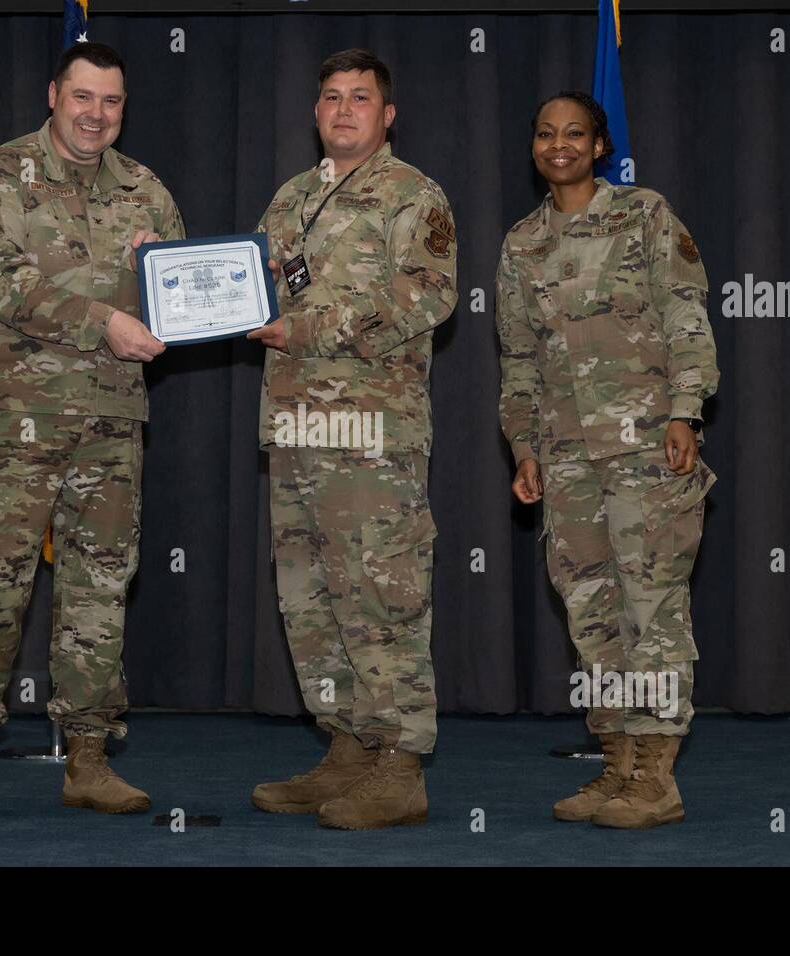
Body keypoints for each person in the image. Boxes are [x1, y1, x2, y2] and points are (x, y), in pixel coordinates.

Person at [0, 42, 184, 823]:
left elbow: (179, 295)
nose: (96, 115)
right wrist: (104, 318)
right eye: (82, 98)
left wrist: (160, 271)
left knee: (99, 592)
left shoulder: (148, 191)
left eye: (110, 102)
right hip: (13, 422)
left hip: (109, 422)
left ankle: (90, 759)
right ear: (53, 95)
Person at [246, 49, 458, 830]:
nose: (343, 109)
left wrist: (302, 326)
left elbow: (429, 295)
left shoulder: (413, 194)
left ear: (387, 114)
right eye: (331, 96)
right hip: (296, 428)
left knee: (382, 595)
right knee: (310, 598)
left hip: (371, 431)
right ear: (316, 111)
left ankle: (399, 766)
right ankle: (347, 749)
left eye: (360, 98)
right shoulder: (292, 198)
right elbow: (254, 286)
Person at [496, 91, 719, 829]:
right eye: (545, 134)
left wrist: (686, 411)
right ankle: (615, 763)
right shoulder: (521, 243)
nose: (557, 145)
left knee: (651, 610)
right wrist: (523, 446)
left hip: (647, 447)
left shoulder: (644, 215)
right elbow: (519, 358)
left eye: (574, 134)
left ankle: (657, 778)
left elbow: (686, 313)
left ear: (598, 145)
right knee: (591, 614)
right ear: (533, 146)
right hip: (565, 459)